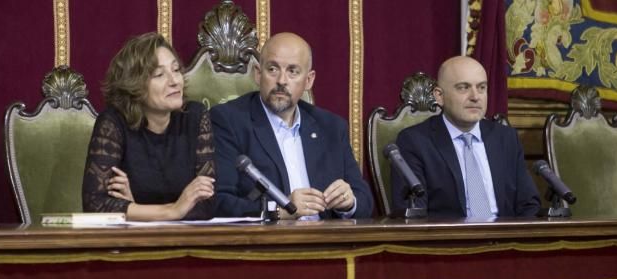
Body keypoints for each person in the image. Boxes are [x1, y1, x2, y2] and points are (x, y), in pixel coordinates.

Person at [211, 32, 373, 219]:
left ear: (309, 80)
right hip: (267, 243)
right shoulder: (229, 121)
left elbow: (365, 202)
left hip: (326, 240)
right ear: (258, 73)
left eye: (293, 71)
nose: (281, 80)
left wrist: (349, 202)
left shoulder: (331, 127)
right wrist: (279, 212)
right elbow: (219, 202)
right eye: (272, 69)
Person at [82, 32, 215, 220]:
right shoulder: (113, 123)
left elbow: (207, 205)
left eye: (176, 70)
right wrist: (173, 210)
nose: (174, 81)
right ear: (134, 85)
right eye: (159, 74)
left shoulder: (195, 116)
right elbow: (95, 205)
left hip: (185, 241)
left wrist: (134, 209)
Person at [391, 56, 540, 219]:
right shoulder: (415, 142)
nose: (475, 96)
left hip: (505, 239)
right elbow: (414, 214)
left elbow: (529, 204)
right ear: (439, 96)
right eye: (463, 88)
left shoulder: (505, 138)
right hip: (449, 241)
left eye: (481, 88)